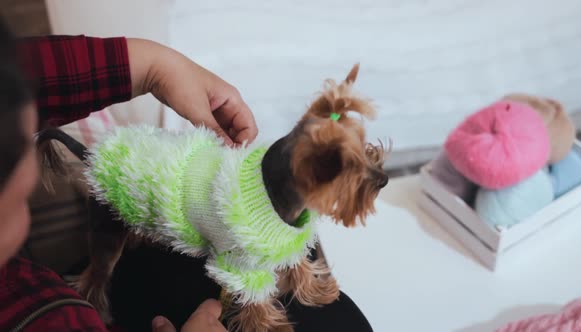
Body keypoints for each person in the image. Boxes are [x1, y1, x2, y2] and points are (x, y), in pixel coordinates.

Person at [0, 19, 373, 332]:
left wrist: (156, 66)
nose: (32, 181)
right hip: (135, 199)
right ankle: (94, 285)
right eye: (18, 200)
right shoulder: (51, 314)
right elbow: (238, 272)